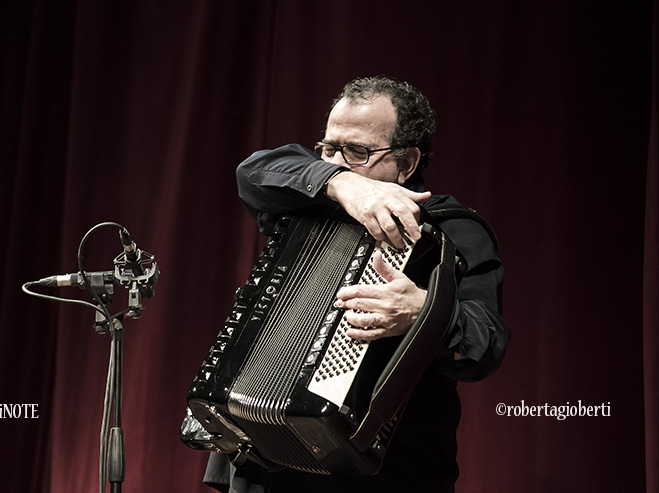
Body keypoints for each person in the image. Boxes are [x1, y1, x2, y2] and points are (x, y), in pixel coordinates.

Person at [203, 76, 510, 492]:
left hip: (390, 472)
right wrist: (345, 183)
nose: (336, 160)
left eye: (358, 152)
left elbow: (486, 344)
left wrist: (426, 313)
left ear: (407, 162)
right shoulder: (309, 201)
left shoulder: (452, 230)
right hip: (265, 467)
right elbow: (252, 171)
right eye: (329, 148)